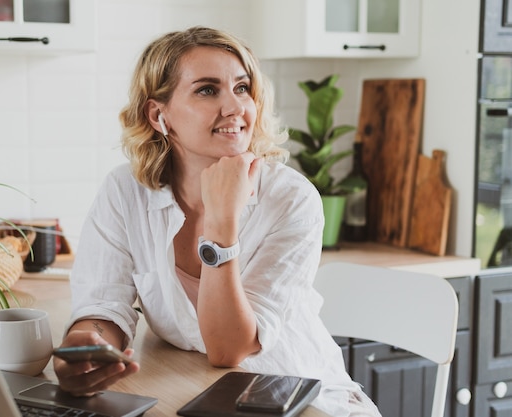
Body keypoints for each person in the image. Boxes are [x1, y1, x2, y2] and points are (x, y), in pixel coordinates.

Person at [53, 26, 381, 417]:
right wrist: (85, 348)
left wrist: (222, 220)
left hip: (299, 398)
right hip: (201, 391)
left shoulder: (291, 199)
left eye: (242, 88)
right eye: (208, 90)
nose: (235, 107)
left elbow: (229, 349)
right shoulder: (125, 191)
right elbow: (104, 305)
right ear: (159, 115)